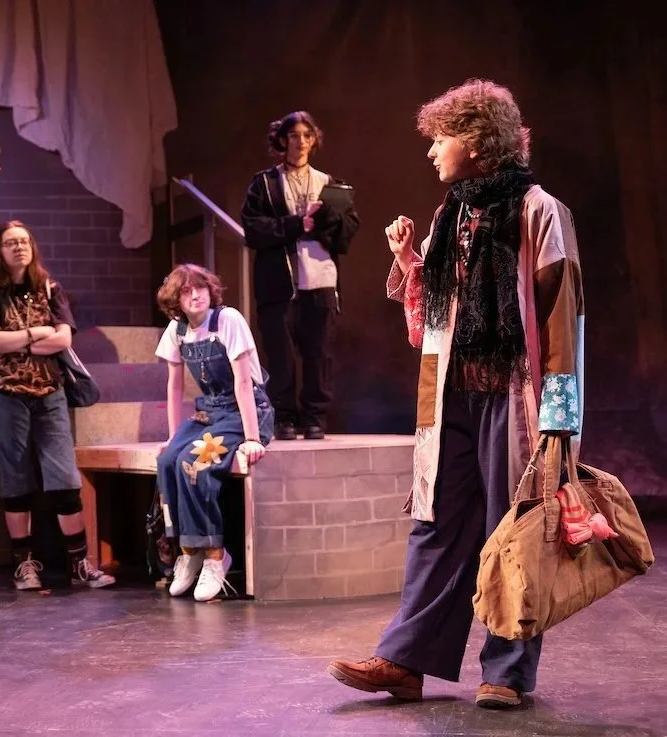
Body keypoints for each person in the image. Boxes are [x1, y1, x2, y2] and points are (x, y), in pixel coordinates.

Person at [327, 79, 584, 709]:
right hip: (451, 397)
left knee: (514, 530)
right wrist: (410, 262)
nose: (431, 150)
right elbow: (434, 322)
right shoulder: (451, 216)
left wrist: (559, 419)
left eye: (440, 138)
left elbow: (560, 319)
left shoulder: (538, 211)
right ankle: (405, 660)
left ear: (475, 140)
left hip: (515, 398)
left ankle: (507, 672)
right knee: (435, 526)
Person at [0, 220, 115, 591]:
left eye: (24, 241)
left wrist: (13, 340)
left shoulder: (50, 288)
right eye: (10, 243)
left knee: (64, 478)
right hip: (4, 395)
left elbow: (64, 339)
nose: (19, 247)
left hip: (49, 393)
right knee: (15, 479)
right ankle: (24, 566)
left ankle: (79, 564)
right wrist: (38, 333)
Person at [154, 264, 274, 601]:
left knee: (195, 463)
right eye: (186, 291)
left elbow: (244, 383)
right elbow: (174, 385)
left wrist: (252, 437)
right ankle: (188, 550)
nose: (196, 295)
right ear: (176, 299)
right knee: (168, 460)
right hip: (209, 411)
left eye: (201, 288)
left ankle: (215, 556)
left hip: (244, 411)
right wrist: (173, 436)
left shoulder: (227, 320)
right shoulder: (177, 330)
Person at [241, 111, 360, 440]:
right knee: (280, 355)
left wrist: (323, 220)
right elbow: (252, 229)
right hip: (278, 283)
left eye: (307, 135)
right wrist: (297, 224)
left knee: (318, 354)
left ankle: (314, 418)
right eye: (294, 135)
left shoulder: (328, 183)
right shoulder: (265, 183)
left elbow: (348, 230)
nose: (301, 141)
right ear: (282, 140)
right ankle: (283, 417)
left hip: (321, 280)